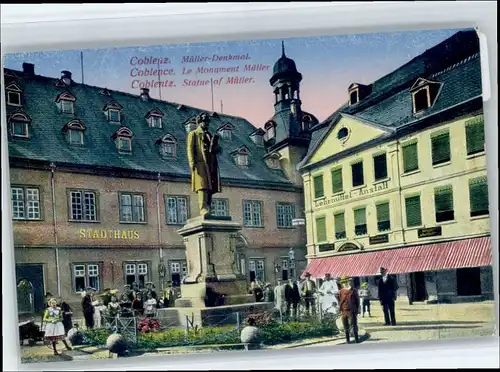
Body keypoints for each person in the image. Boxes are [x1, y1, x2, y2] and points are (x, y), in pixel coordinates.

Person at [186, 112, 222, 216]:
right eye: (204, 121)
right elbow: (190, 148)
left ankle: (208, 208)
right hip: (200, 164)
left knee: (210, 187)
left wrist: (216, 146)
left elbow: (216, 150)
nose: (206, 123)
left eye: (207, 121)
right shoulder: (193, 134)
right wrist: (192, 163)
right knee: (202, 186)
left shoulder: (209, 134)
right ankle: (203, 209)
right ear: (199, 122)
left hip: (211, 164)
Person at [338, 276, 360, 344]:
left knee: (353, 325)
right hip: (344, 310)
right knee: (345, 326)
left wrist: (357, 310)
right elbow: (340, 300)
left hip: (352, 310)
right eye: (344, 282)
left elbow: (357, 301)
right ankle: (347, 340)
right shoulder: (341, 291)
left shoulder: (354, 290)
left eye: (349, 281)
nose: (347, 283)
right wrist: (340, 309)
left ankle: (356, 339)